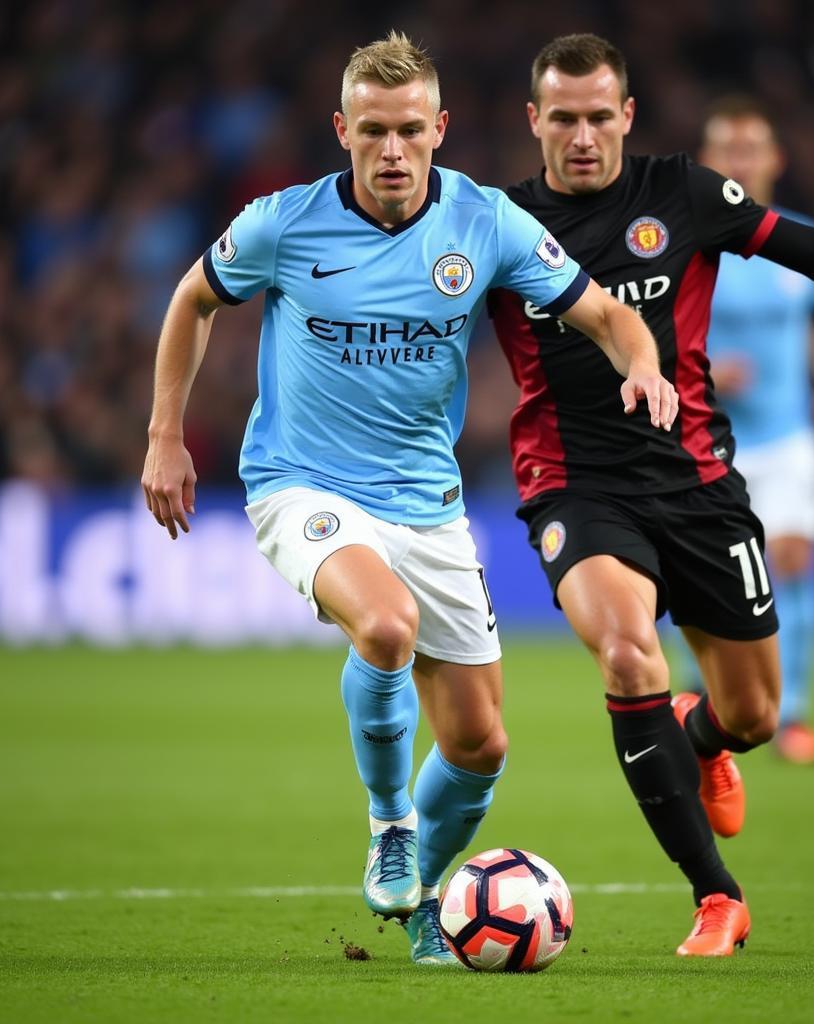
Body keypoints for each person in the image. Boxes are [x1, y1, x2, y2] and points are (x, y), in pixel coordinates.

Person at [141, 31, 677, 966]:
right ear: (343, 129)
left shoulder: (485, 221)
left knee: (480, 747)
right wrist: (163, 436)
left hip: (426, 500)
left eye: (411, 133)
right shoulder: (283, 222)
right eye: (374, 133)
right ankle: (390, 826)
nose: (392, 152)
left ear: (441, 129)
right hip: (301, 483)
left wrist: (644, 364)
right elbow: (193, 299)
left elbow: (603, 312)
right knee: (384, 628)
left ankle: (425, 895)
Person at [488, 32, 814, 956]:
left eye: (598, 117)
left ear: (625, 116)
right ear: (533, 121)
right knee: (629, 656)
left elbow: (808, 245)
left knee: (750, 714)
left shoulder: (682, 193)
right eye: (563, 118)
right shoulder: (500, 223)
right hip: (577, 487)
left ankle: (697, 739)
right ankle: (717, 897)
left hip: (700, 484)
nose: (582, 136)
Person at [696, 95, 814, 763]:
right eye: (727, 149)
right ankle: (707, 701)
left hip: (787, 435)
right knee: (706, 577)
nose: (740, 159)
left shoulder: (797, 238)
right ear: (708, 161)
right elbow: (651, 328)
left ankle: (792, 717)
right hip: (712, 437)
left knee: (791, 559)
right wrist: (702, 368)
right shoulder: (693, 243)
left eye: (750, 147)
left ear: (774, 159)